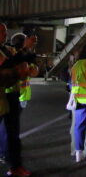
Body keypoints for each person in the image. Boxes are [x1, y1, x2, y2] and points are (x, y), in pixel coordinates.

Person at [0, 24, 36, 177]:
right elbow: (9, 67)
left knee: (13, 133)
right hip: (6, 94)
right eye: (2, 32)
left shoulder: (6, 49)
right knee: (10, 132)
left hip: (8, 96)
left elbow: (19, 61)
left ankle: (15, 166)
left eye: (6, 32)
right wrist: (24, 51)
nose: (5, 35)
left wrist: (28, 56)